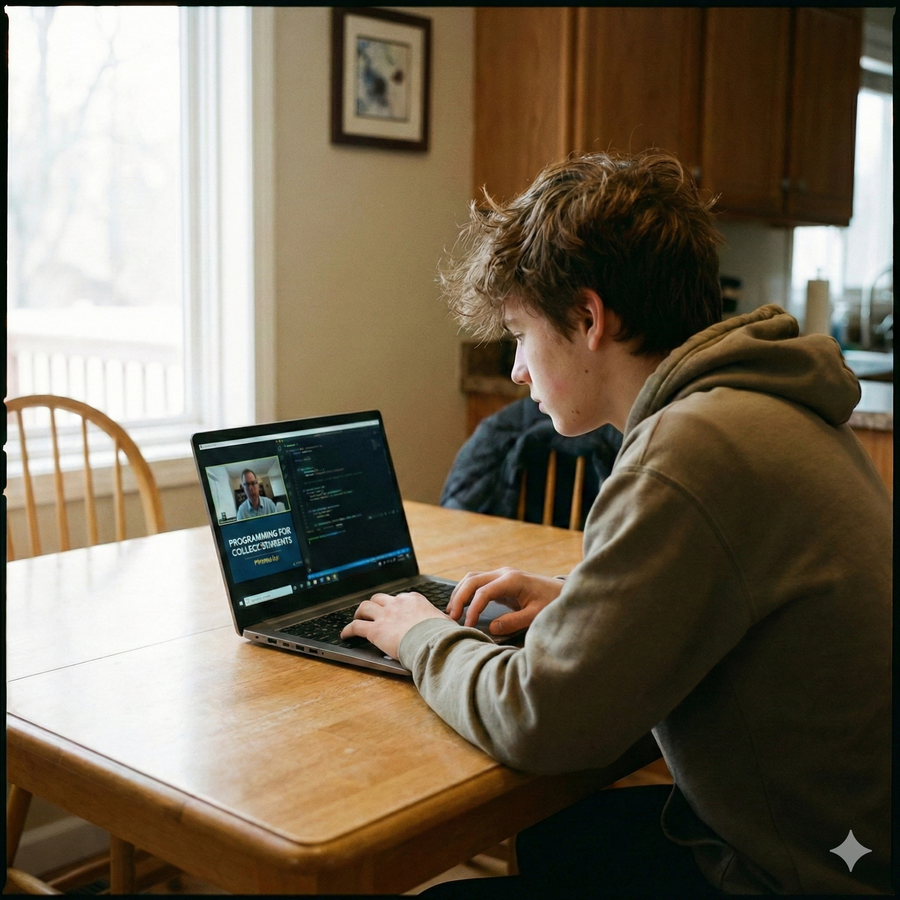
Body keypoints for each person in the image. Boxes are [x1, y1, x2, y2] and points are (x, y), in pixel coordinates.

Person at [341, 151, 892, 895]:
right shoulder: (765, 408)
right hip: (853, 839)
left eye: (520, 335)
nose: (516, 372)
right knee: (564, 833)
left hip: (805, 873)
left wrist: (420, 636)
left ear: (589, 318)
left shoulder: (687, 450)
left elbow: (538, 721)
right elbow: (729, 593)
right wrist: (580, 599)